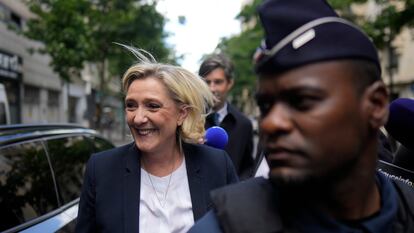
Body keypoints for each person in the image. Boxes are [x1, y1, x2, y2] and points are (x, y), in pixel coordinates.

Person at [189, 0, 414, 232]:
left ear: (376, 105)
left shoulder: (408, 209)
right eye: (266, 106)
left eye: (302, 101)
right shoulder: (225, 227)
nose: (272, 123)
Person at [75, 46, 238, 233]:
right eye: (131, 106)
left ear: (181, 114)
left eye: (152, 106)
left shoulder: (217, 165)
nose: (138, 118)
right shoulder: (101, 169)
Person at [199, 54, 254, 179]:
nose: (212, 88)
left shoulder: (244, 124)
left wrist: (238, 189)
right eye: (207, 82)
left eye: (218, 82)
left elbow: (248, 167)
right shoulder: (188, 119)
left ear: (229, 83)